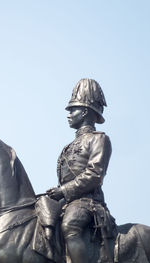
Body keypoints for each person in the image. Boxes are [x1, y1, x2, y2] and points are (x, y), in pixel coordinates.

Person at [47, 78, 115, 263]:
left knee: (70, 225)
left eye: (72, 110)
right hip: (67, 202)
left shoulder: (99, 139)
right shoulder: (69, 146)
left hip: (88, 202)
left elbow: (95, 174)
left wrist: (64, 190)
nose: (68, 114)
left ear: (84, 112)